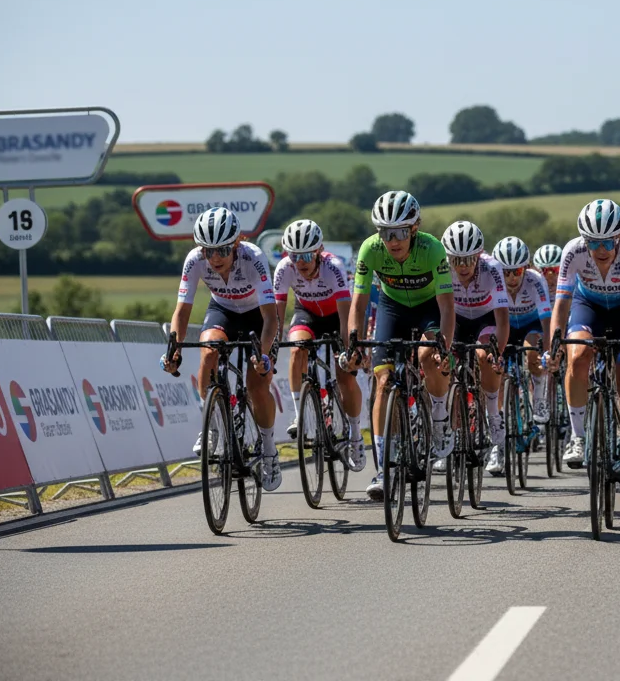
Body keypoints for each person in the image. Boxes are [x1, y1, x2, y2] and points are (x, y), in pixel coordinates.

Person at [345, 191, 454, 502]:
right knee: (383, 381)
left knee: (425, 355)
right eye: (385, 232)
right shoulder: (370, 249)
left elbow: (447, 308)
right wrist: (354, 341)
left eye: (400, 232)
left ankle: (438, 415)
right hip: (392, 309)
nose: (392, 240)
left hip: (430, 309)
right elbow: (359, 303)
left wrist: (442, 347)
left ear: (414, 229)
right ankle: (384, 467)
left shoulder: (433, 249)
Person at [164, 208, 282, 491]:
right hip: (223, 310)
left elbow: (270, 318)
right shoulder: (194, 261)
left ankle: (268, 449)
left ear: (237, 244)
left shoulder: (253, 258)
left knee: (257, 385)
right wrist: (173, 351)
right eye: (208, 251)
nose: (215, 258)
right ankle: (212, 424)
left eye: (222, 250)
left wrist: (262, 356)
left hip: (257, 315)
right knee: (208, 351)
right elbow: (181, 312)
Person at [548, 199, 620, 492]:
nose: (601, 250)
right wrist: (555, 345)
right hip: (589, 307)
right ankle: (578, 436)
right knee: (578, 354)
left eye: (608, 241)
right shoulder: (573, 252)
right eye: (593, 242)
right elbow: (561, 306)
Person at [274, 219, 365, 471]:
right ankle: (300, 413)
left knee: (345, 376)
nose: (300, 261)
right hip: (308, 314)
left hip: (336, 317)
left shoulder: (333, 267)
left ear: (318, 251)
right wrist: (271, 344)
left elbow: (346, 315)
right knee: (296, 349)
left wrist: (349, 349)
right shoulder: (284, 268)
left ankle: (356, 435)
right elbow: (278, 312)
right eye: (294, 255)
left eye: (306, 254)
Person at [442, 221, 511, 476]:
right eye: (456, 259)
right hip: (457, 319)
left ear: (479, 255)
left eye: (469, 259)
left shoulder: (492, 268)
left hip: (486, 320)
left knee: (484, 355)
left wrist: (498, 354)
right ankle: (449, 439)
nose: (462, 265)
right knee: (444, 369)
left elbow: (503, 319)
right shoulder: (442, 268)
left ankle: (494, 418)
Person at [492, 236, 552, 424]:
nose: (511, 278)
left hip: (530, 324)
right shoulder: (493, 281)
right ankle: (499, 416)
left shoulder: (536, 280)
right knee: (498, 369)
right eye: (506, 272)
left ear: (525, 268)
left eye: (517, 271)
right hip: (506, 324)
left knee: (533, 353)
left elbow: (546, 318)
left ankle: (540, 396)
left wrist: (548, 350)